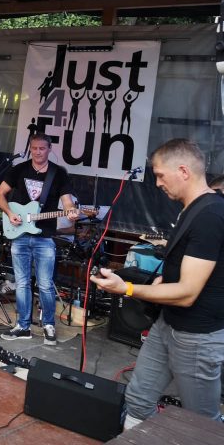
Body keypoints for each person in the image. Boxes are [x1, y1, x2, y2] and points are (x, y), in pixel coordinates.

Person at [91, 139, 224, 428]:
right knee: (138, 399)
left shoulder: (211, 215)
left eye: (161, 175)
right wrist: (166, 278)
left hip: (197, 336)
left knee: (202, 423)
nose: (158, 183)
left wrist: (126, 288)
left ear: (184, 171)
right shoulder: (191, 209)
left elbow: (187, 293)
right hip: (168, 323)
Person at [0, 133, 79, 344]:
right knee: (22, 283)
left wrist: (71, 211)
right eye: (34, 148)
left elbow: (67, 202)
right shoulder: (19, 169)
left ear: (49, 149)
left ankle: (48, 324)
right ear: (30, 149)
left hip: (45, 236)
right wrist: (9, 213)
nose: (38, 152)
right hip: (20, 234)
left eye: (42, 148)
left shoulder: (58, 173)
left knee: (45, 284)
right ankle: (23, 326)